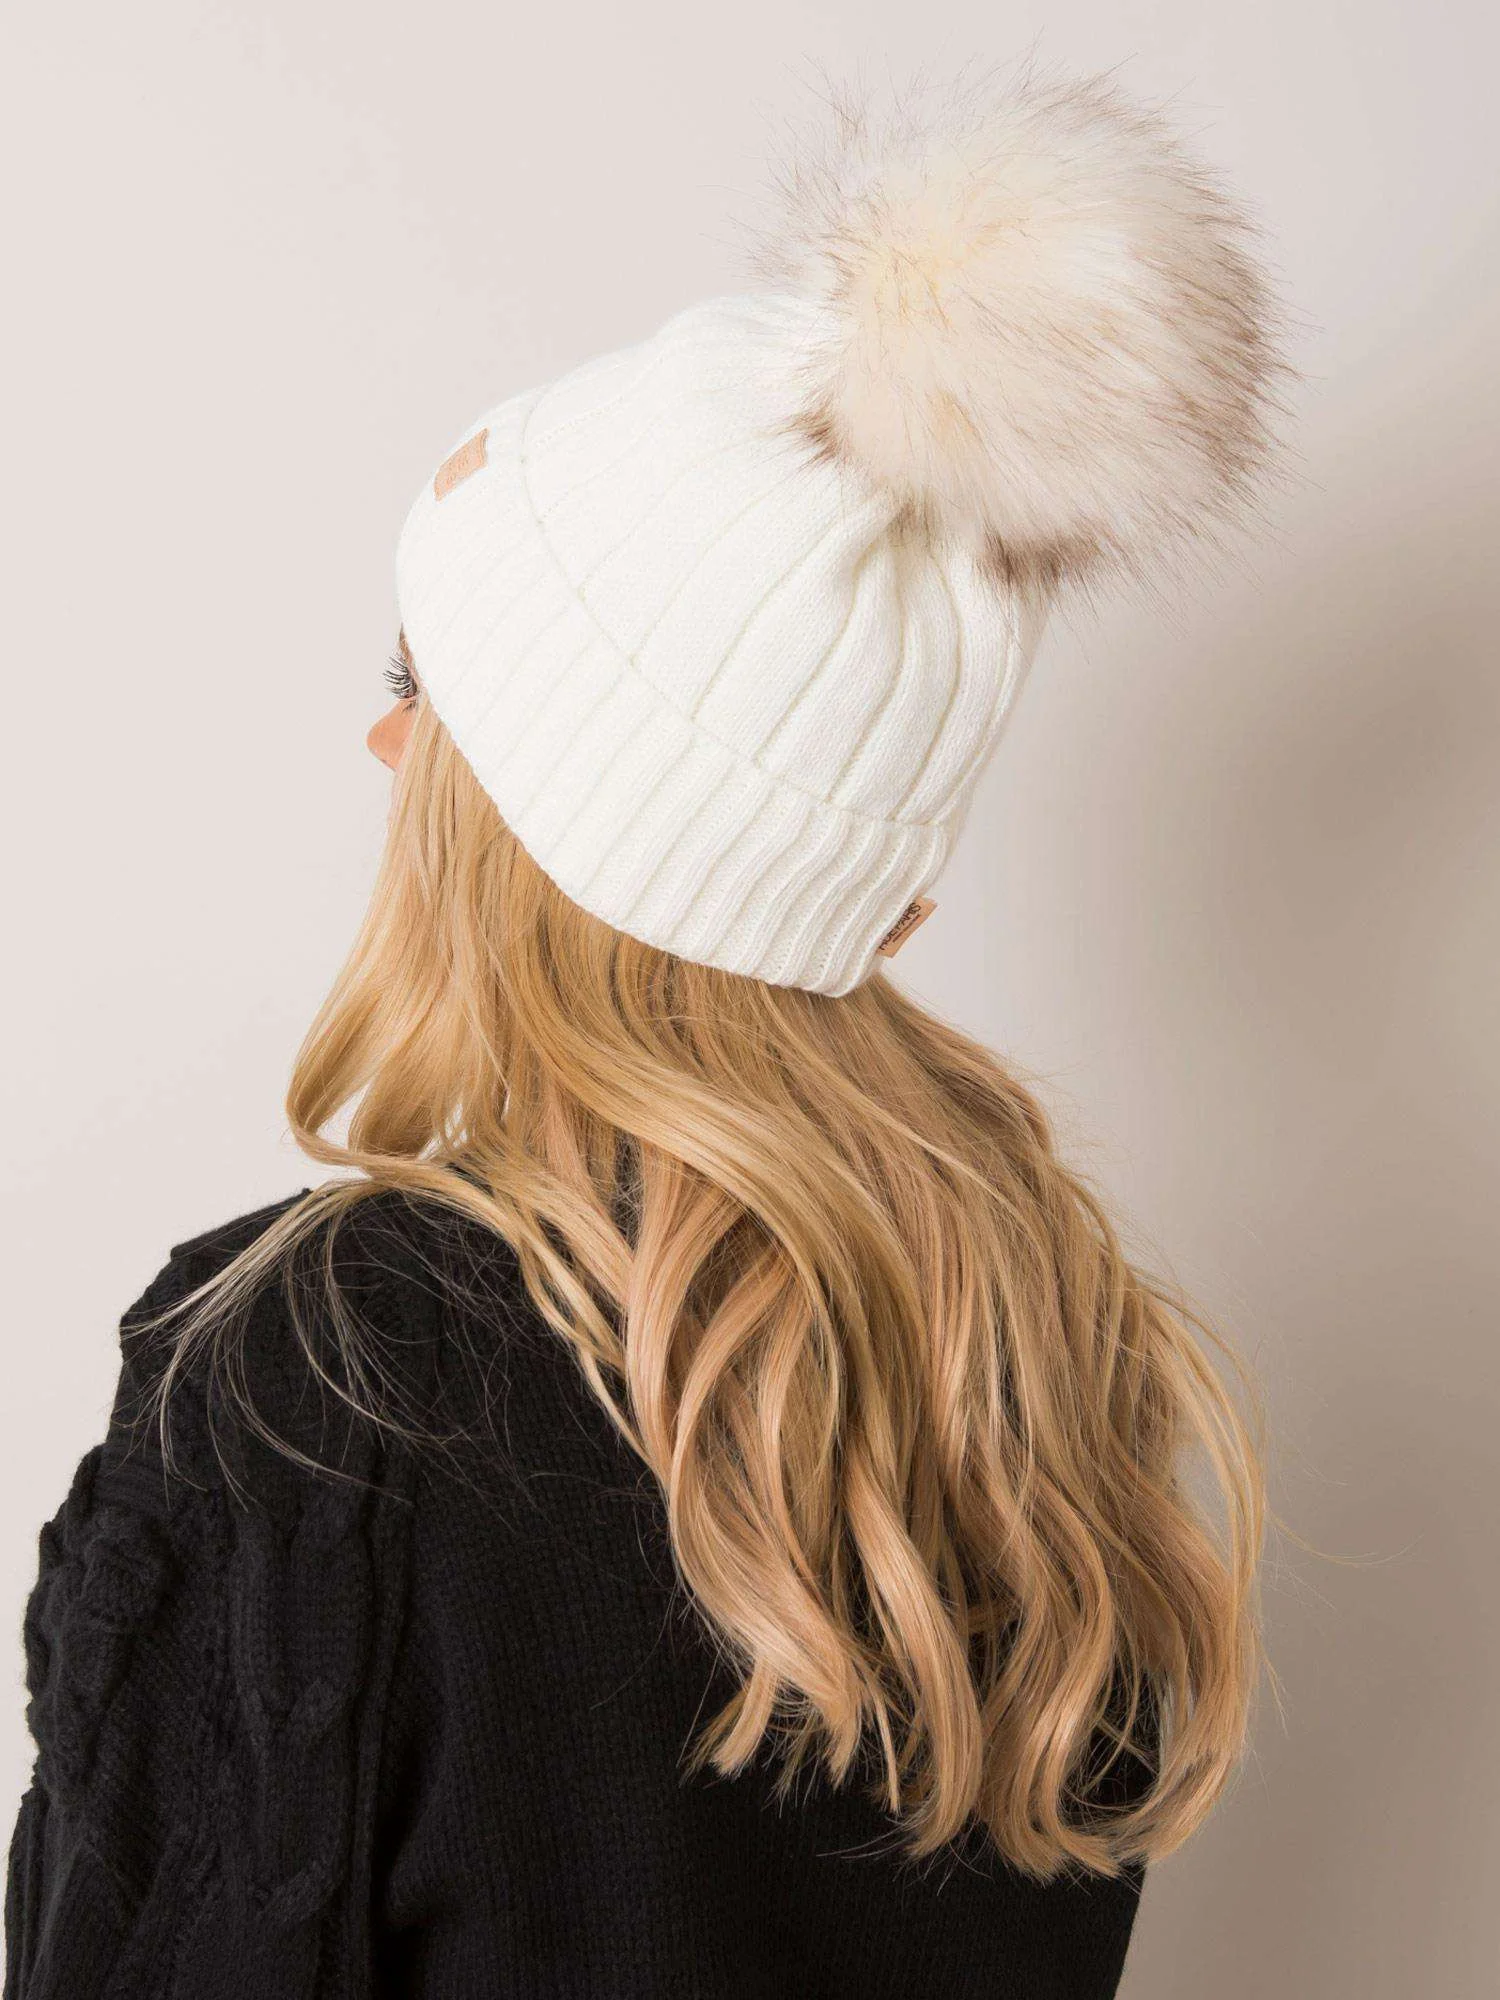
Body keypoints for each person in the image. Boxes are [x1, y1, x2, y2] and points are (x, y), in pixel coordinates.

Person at [4, 63, 1287, 2000]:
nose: (383, 739)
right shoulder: (1027, 1358)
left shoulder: (321, 1375)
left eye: (422, 681)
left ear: (546, 798)